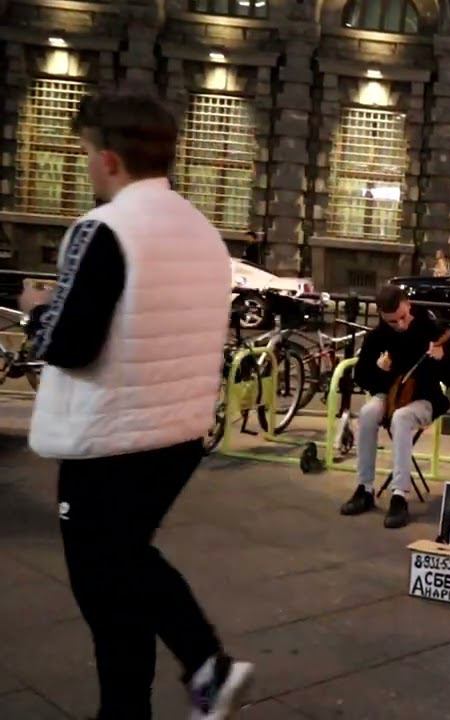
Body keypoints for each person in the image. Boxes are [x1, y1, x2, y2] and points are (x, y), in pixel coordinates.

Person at [20, 91, 253, 720]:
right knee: (123, 569)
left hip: (109, 438)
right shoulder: (203, 233)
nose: (87, 166)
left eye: (86, 153)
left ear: (110, 159)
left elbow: (69, 345)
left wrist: (37, 311)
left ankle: (203, 666)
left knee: (108, 582)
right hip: (177, 436)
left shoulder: (106, 229)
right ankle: (156, 694)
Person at [340, 284, 450, 528]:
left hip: (425, 399)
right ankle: (364, 488)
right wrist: (379, 370)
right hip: (389, 396)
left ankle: (399, 495)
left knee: (401, 418)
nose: (400, 325)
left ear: (408, 304)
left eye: (403, 317)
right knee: (367, 413)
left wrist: (442, 359)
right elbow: (362, 377)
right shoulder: (378, 336)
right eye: (392, 322)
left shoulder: (431, 330)